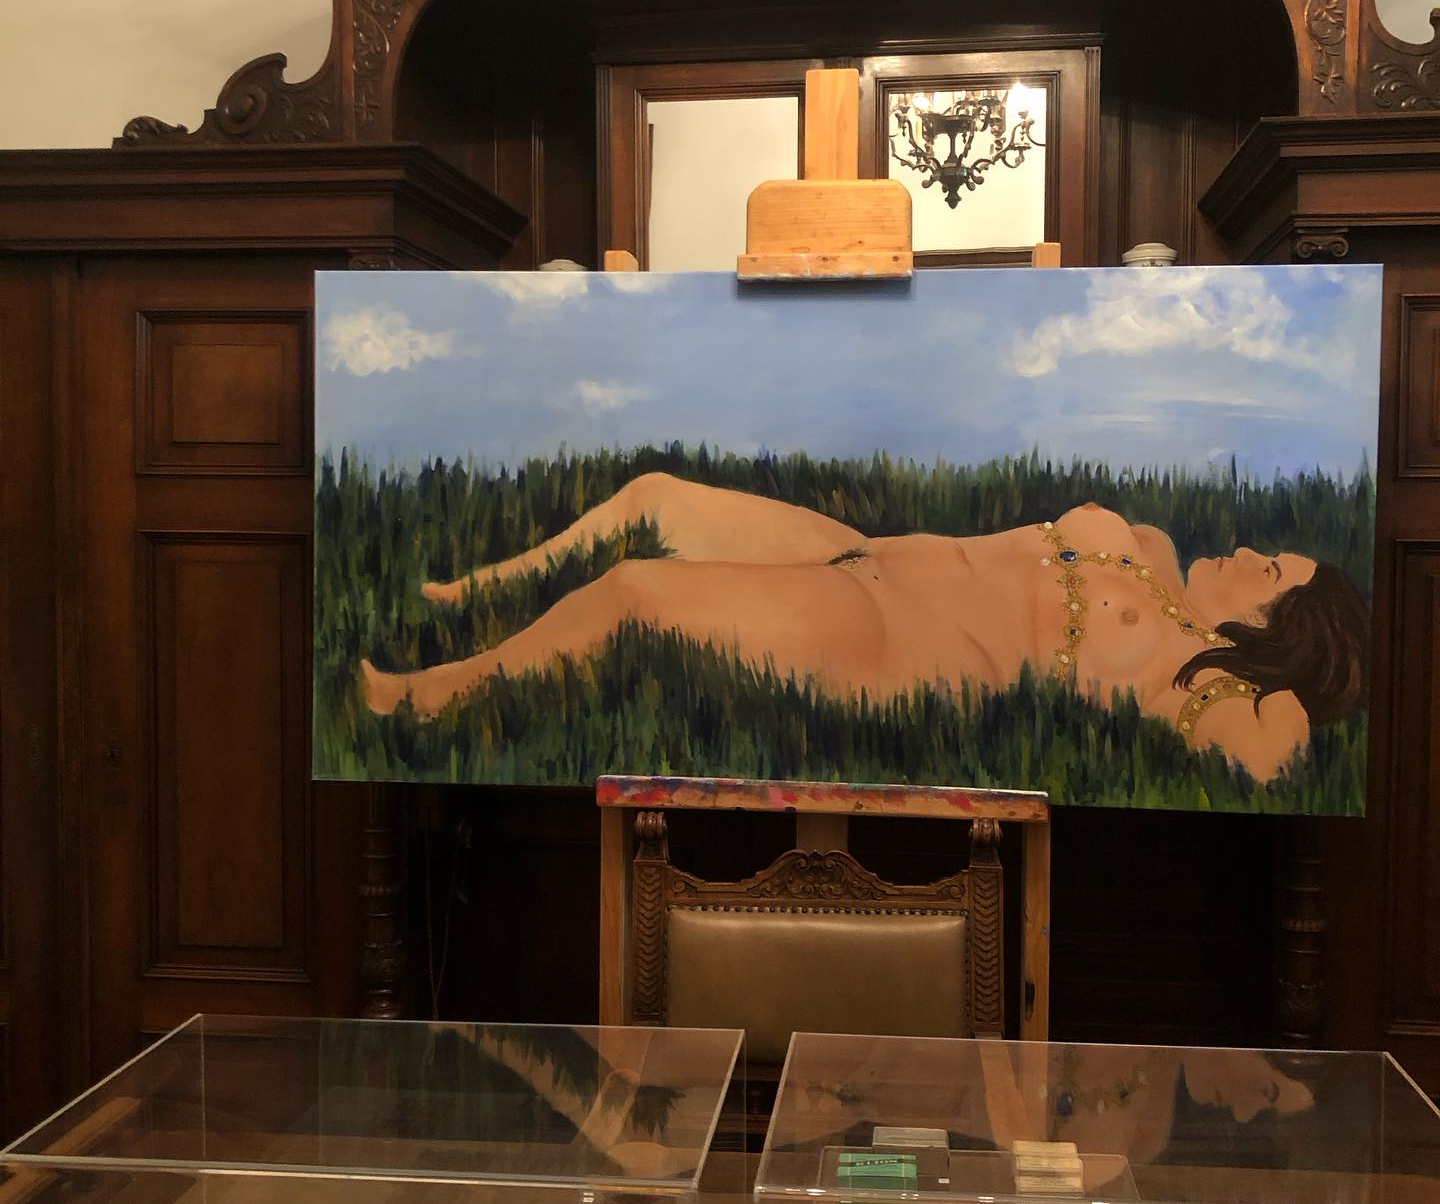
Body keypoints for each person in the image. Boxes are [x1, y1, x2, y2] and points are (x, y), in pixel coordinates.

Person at [363, 472, 1368, 784]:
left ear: (1281, 630)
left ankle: (430, 694)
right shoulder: (1151, 545)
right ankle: (477, 588)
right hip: (866, 552)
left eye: (1272, 572)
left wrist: (1286, 695)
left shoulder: (1193, 679)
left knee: (635, 589)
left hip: (885, 638)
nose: (1250, 551)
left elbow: (1271, 752)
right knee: (655, 495)